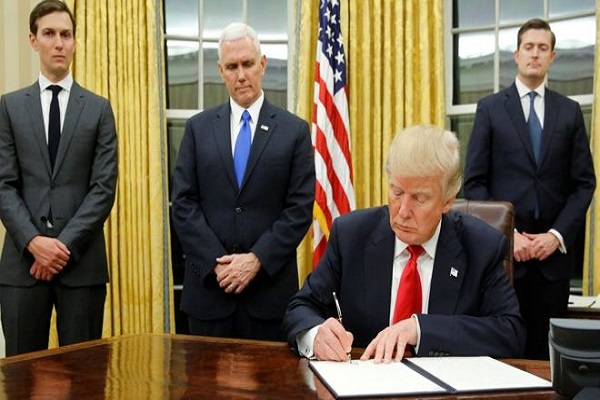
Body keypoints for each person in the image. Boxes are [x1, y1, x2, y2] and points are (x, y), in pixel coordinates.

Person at [283, 124, 525, 362]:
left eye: (419, 198)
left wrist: (420, 329)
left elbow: (510, 332)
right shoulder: (351, 236)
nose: (403, 211)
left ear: (448, 201)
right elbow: (301, 307)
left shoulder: (481, 246)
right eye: (397, 192)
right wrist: (315, 335)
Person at [171, 22, 315, 341]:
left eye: (248, 64)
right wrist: (217, 264)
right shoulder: (197, 129)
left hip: (269, 298)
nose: (241, 75)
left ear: (262, 64)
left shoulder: (294, 131)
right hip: (209, 294)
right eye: (232, 67)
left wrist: (256, 260)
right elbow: (183, 204)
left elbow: (299, 209)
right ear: (220, 71)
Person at [463, 19, 596, 360]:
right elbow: (474, 183)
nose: (535, 54)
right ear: (517, 55)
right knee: (502, 355)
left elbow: (584, 183)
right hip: (504, 262)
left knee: (548, 359)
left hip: (553, 264)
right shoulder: (490, 109)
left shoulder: (569, 112)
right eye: (529, 47)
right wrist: (509, 235)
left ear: (552, 57)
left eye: (542, 48)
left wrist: (555, 235)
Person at [0, 0, 118, 356]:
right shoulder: (9, 107)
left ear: (75, 42)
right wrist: (34, 242)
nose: (59, 43)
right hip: (23, 267)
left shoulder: (99, 109)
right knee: (21, 375)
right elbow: (4, 185)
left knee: (84, 375)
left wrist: (60, 248)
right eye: (49, 34)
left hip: (82, 267)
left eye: (66, 35)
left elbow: (103, 189)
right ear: (33, 40)